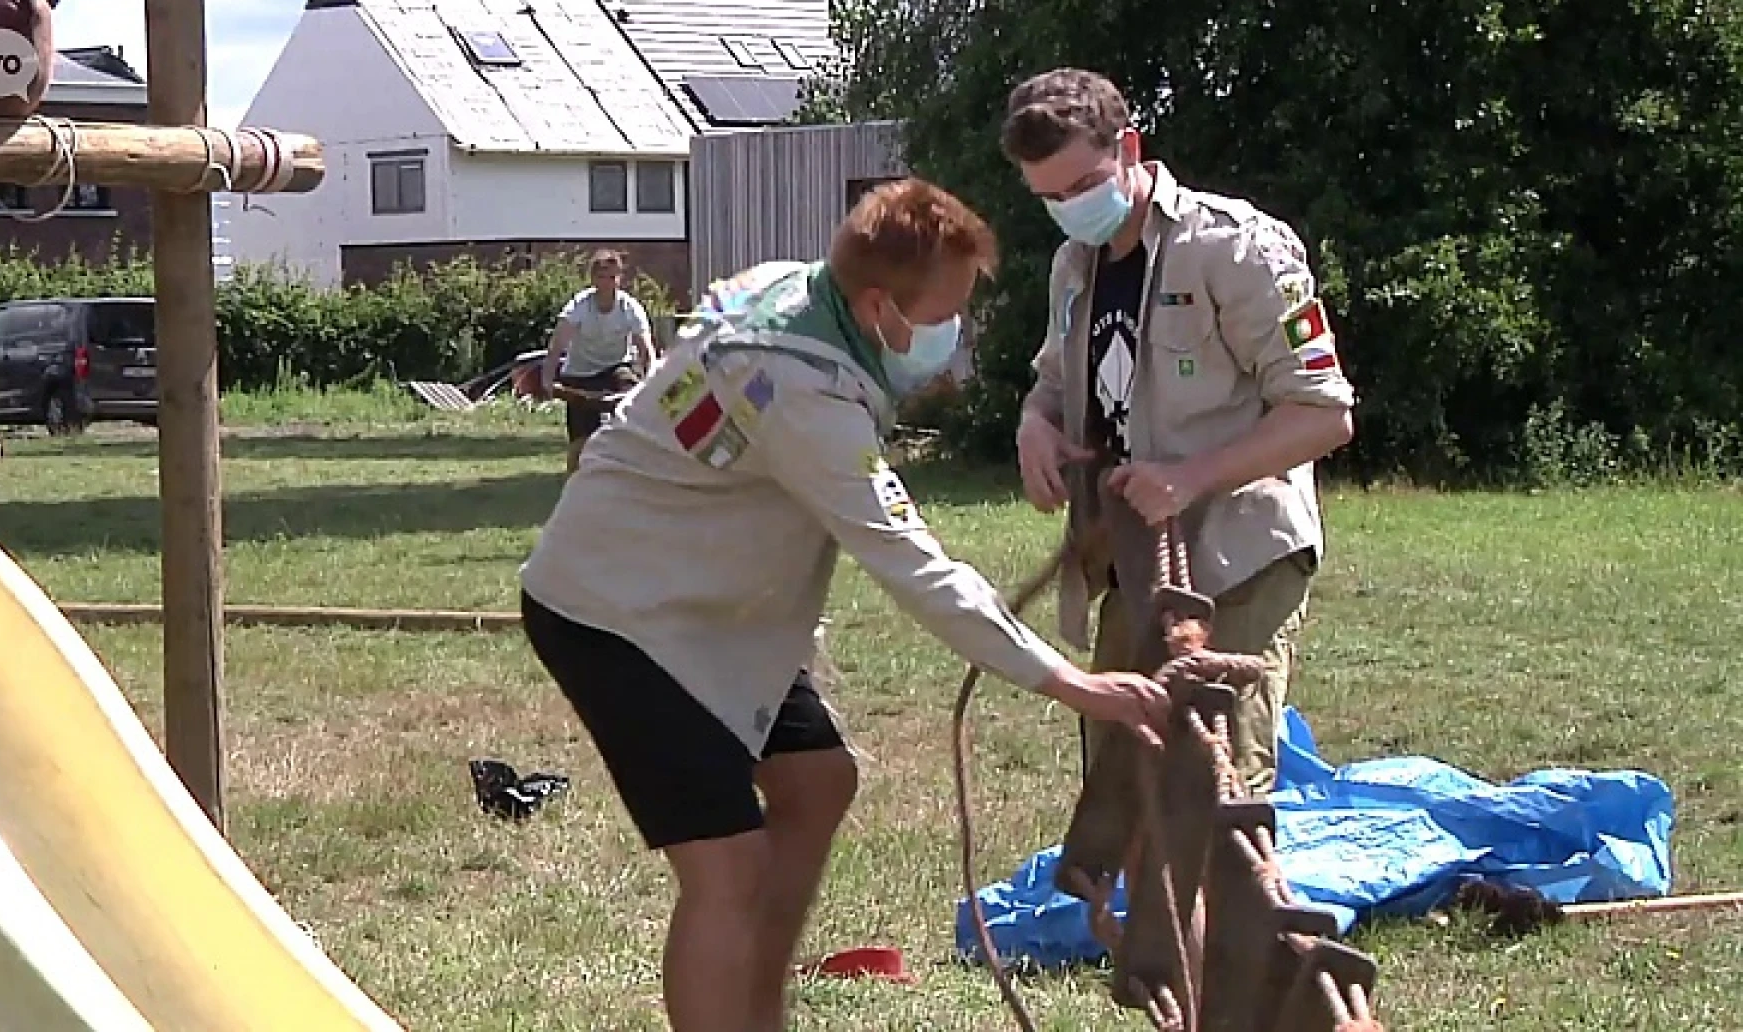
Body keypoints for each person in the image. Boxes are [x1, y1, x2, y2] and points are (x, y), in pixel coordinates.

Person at [517, 178, 1171, 1032]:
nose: (954, 334)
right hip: (618, 616)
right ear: (878, 307)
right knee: (728, 871)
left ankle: (757, 999)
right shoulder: (800, 390)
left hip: (713, 604)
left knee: (819, 779)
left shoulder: (796, 293)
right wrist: (1071, 684)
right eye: (946, 313)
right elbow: (916, 567)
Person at [998, 67, 1358, 795]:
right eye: (1050, 198)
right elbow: (1055, 386)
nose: (1070, 208)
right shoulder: (1075, 265)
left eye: (1082, 185)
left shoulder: (1235, 247)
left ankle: (1226, 913)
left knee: (1216, 784)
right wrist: (1034, 425)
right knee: (1119, 773)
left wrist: (1190, 478)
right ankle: (1137, 912)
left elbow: (1324, 414)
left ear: (1129, 148)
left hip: (1240, 553)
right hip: (1136, 557)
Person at [538, 248, 659, 472]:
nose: (606, 283)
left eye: (612, 277)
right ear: (593, 279)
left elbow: (646, 347)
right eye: (601, 277)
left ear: (619, 279)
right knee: (581, 440)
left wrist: (651, 378)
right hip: (580, 374)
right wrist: (548, 378)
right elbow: (558, 344)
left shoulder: (629, 307)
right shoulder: (580, 306)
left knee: (629, 403)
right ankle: (577, 481)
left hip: (616, 368)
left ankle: (630, 467)